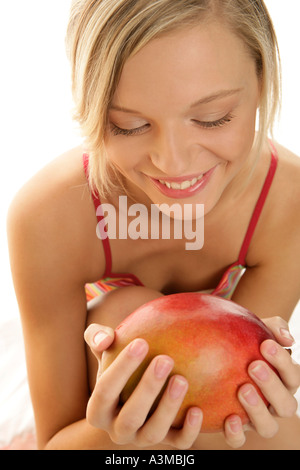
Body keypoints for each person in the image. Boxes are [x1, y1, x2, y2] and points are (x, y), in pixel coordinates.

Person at [7, 0, 300, 450]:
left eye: (212, 117)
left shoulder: (286, 201)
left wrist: (257, 374)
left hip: (209, 424)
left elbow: (235, 414)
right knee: (126, 311)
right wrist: (112, 435)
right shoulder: (50, 215)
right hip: (93, 421)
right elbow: (59, 443)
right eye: (129, 125)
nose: (173, 162)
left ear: (262, 82)